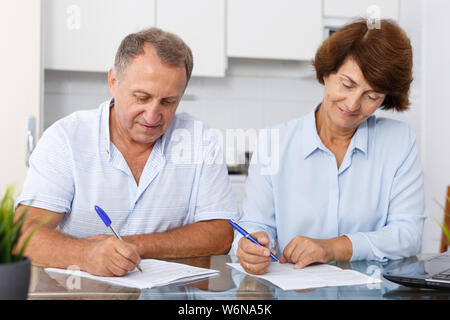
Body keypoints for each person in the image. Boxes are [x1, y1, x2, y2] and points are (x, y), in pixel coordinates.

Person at [15, 27, 239, 276]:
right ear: (113, 82)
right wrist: (86, 255)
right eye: (141, 97)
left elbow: (221, 233)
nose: (153, 116)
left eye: (168, 102)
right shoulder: (66, 139)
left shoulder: (200, 140)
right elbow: (24, 234)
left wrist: (134, 245)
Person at [232, 18, 427, 275]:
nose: (353, 104)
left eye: (372, 96)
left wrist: (334, 247)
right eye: (347, 84)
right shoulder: (274, 141)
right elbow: (255, 223)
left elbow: (408, 233)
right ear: (326, 73)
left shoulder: (399, 141)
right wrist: (249, 247)